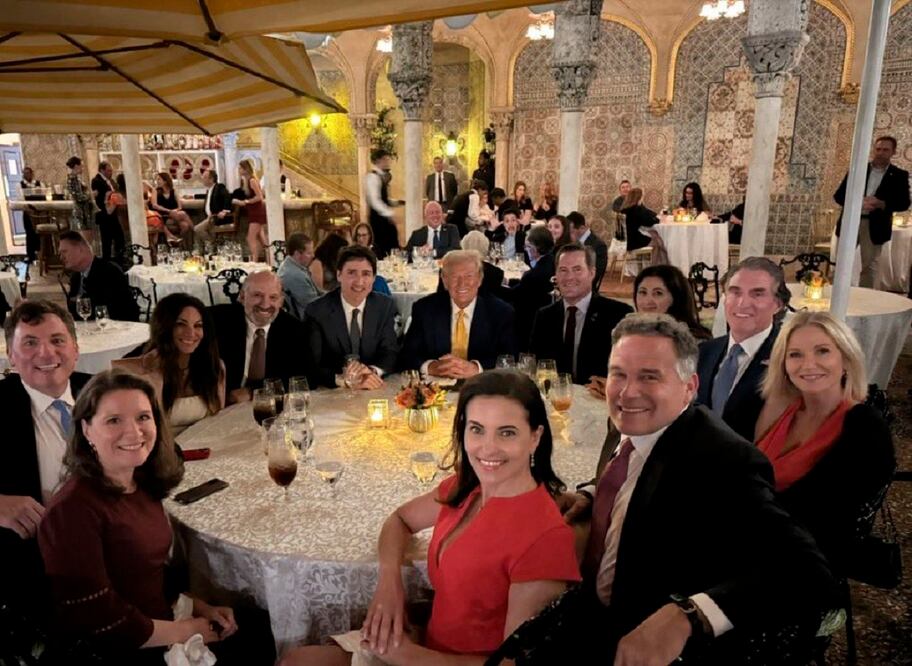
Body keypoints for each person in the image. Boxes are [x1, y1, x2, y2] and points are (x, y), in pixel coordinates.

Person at [548, 314, 834, 663]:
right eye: (619, 374)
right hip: (589, 611)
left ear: (689, 387)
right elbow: (632, 475)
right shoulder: (630, 420)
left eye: (649, 376)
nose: (627, 391)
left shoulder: (724, 461)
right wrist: (592, 495)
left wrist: (689, 615)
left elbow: (807, 570)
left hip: (647, 640)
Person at [279, 370, 580, 666]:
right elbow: (400, 520)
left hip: (436, 659)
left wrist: (409, 656)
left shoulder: (546, 539)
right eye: (477, 429)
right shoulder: (468, 487)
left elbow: (514, 665)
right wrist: (389, 584)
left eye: (507, 432)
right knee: (294, 660)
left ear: (535, 437)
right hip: (425, 642)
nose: (488, 448)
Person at [37, 370, 275, 664]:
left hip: (162, 621)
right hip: (122, 649)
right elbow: (98, 620)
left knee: (267, 631)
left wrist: (198, 606)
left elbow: (148, 574)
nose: (134, 432)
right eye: (114, 420)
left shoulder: (141, 483)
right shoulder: (72, 512)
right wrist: (185, 630)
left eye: (143, 417)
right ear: (86, 429)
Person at [754, 311, 895, 574]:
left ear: (846, 359)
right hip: (754, 547)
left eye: (822, 351)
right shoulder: (784, 410)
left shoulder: (865, 427)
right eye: (795, 354)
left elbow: (825, 520)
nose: (808, 365)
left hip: (803, 568)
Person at [0, 301, 90, 624]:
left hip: (116, 547)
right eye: (30, 342)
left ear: (75, 349)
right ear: (11, 356)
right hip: (36, 571)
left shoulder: (103, 390)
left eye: (57, 340)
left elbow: (164, 454)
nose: (46, 353)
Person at [697, 257, 788, 441]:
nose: (742, 303)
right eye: (735, 292)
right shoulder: (704, 351)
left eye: (757, 294)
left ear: (778, 304)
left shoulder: (787, 357)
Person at [113, 294, 225, 435]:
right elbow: (143, 428)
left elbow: (217, 423)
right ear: (164, 327)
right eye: (181, 324)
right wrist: (155, 378)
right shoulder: (140, 370)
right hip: (158, 446)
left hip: (203, 445)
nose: (191, 333)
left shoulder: (214, 367)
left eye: (198, 325)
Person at [401, 250, 516, 378]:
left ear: (479, 279)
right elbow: (407, 354)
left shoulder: (501, 312)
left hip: (483, 385)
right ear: (444, 280)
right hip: (435, 384)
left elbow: (510, 358)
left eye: (469, 276)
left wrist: (476, 368)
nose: (462, 284)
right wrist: (431, 366)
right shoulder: (425, 309)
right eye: (454, 277)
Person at [530, 243, 632, 384]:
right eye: (563, 270)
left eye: (577, 270)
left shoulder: (618, 315)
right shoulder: (544, 316)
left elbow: (628, 370)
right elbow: (536, 366)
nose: (569, 277)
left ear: (592, 273)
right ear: (556, 275)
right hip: (555, 396)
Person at [305, 245, 399, 389]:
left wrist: (371, 372)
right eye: (351, 273)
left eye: (366, 274)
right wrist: (345, 380)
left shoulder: (384, 306)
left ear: (374, 278)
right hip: (334, 391)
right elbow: (311, 365)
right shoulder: (317, 311)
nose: (359, 281)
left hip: (372, 387)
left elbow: (390, 352)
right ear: (339, 275)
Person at [209, 270, 311, 402]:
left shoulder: (294, 329)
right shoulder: (217, 321)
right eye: (257, 295)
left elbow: (306, 378)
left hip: (270, 404)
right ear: (242, 296)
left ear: (281, 301)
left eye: (273, 297)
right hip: (222, 404)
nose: (265, 304)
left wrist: (253, 392)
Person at [834, 135, 911, 289]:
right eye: (878, 149)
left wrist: (881, 204)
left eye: (885, 150)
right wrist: (858, 202)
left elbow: (904, 203)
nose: (880, 153)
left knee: (869, 266)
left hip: (876, 225)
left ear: (893, 152)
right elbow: (839, 196)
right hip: (851, 222)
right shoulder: (858, 170)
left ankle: (864, 298)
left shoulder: (899, 175)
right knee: (842, 262)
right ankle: (838, 295)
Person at [59, 230, 139, 322]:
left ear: (80, 249)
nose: (61, 257)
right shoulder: (76, 277)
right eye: (60, 253)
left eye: (64, 252)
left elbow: (121, 312)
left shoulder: (109, 272)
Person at [505, 225, 555, 351]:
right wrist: (509, 281)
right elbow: (526, 286)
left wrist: (495, 285)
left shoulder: (534, 274)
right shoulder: (551, 260)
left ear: (537, 248)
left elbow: (512, 295)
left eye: (528, 246)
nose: (526, 250)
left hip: (529, 320)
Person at [633, 265, 711, 341]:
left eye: (658, 293)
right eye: (642, 292)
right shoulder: (631, 332)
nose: (647, 301)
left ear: (675, 298)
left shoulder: (689, 341)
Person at [115, 174, 181, 246]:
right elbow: (140, 205)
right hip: (137, 218)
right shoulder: (128, 194)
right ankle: (166, 238)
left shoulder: (127, 193)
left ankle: (165, 239)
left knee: (157, 219)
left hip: (138, 217)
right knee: (157, 218)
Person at [277, 231, 321, 319]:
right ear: (297, 254)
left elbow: (317, 292)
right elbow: (314, 306)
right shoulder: (294, 275)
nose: (313, 255)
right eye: (309, 253)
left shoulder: (289, 264)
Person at [365, 149, 400, 259]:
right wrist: (390, 213)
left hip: (384, 219)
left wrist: (396, 202)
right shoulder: (372, 177)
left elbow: (382, 198)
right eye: (386, 159)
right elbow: (375, 201)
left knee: (391, 246)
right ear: (378, 160)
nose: (388, 162)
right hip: (378, 220)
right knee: (382, 248)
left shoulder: (380, 176)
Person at [232, 159, 268, 262]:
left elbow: (259, 197)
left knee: (250, 238)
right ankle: (269, 258)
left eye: (240, 168)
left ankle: (255, 261)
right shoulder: (246, 181)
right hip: (253, 211)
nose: (239, 170)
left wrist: (245, 202)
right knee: (262, 239)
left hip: (257, 212)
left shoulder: (252, 180)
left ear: (245, 169)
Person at [91, 161, 126, 262]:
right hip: (104, 214)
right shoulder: (97, 180)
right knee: (107, 240)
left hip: (112, 213)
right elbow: (100, 196)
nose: (111, 173)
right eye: (108, 171)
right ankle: (107, 262)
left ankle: (118, 260)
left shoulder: (110, 181)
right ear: (102, 170)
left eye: (111, 171)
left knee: (119, 238)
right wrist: (109, 197)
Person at [149, 172, 194, 250]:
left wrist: (174, 211)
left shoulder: (173, 191)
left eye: (159, 179)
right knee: (183, 214)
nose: (157, 181)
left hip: (174, 214)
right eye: (157, 179)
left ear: (165, 181)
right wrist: (169, 211)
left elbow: (180, 206)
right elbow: (154, 205)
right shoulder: (155, 191)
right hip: (163, 215)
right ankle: (195, 231)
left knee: (185, 226)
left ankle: (180, 245)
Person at [567, 210, 608, 291]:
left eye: (571, 232)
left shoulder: (598, 246)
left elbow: (594, 276)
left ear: (582, 228)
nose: (568, 235)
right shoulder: (570, 242)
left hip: (585, 291)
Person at [193, 169, 235, 244]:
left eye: (205, 177)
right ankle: (211, 246)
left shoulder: (219, 187)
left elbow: (227, 197)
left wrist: (224, 211)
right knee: (199, 234)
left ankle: (213, 244)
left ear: (211, 179)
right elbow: (210, 199)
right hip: (209, 218)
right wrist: (193, 197)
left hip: (216, 218)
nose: (202, 179)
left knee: (197, 229)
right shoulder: (209, 190)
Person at [65, 156, 96, 245]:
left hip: (85, 211)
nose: (83, 168)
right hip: (81, 212)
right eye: (81, 166)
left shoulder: (76, 179)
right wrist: (91, 195)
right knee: (85, 240)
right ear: (76, 166)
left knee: (89, 238)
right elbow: (78, 197)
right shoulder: (72, 179)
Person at [621, 187, 659, 252]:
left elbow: (648, 213)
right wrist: (657, 219)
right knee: (657, 241)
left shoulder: (624, 209)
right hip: (633, 241)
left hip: (624, 240)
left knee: (653, 236)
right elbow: (649, 223)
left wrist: (641, 205)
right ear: (639, 197)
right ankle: (653, 259)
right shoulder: (636, 210)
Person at [19, 166, 42, 260]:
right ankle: (31, 256)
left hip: (39, 212)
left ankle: (41, 254)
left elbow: (43, 196)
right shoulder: (20, 185)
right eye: (24, 173)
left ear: (32, 174)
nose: (26, 175)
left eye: (28, 173)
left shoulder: (39, 183)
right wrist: (28, 209)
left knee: (39, 233)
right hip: (28, 212)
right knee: (30, 233)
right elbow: (21, 199)